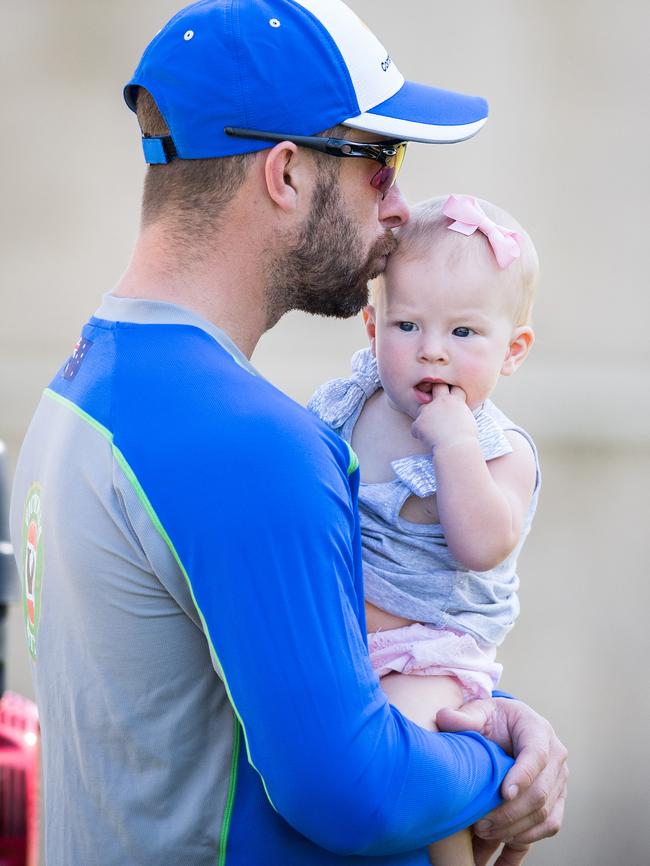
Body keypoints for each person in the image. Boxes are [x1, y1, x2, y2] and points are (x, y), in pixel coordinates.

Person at [9, 2, 567, 864]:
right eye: (381, 162)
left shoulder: (81, 387)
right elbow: (351, 791)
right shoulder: (247, 444)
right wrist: (502, 761)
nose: (400, 208)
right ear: (285, 173)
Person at [309, 193, 541, 865]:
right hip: (347, 642)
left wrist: (454, 449)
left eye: (464, 334)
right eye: (408, 326)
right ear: (371, 326)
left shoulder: (500, 450)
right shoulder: (352, 404)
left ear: (513, 351)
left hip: (431, 653)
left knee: (412, 753)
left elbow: (484, 545)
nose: (431, 352)